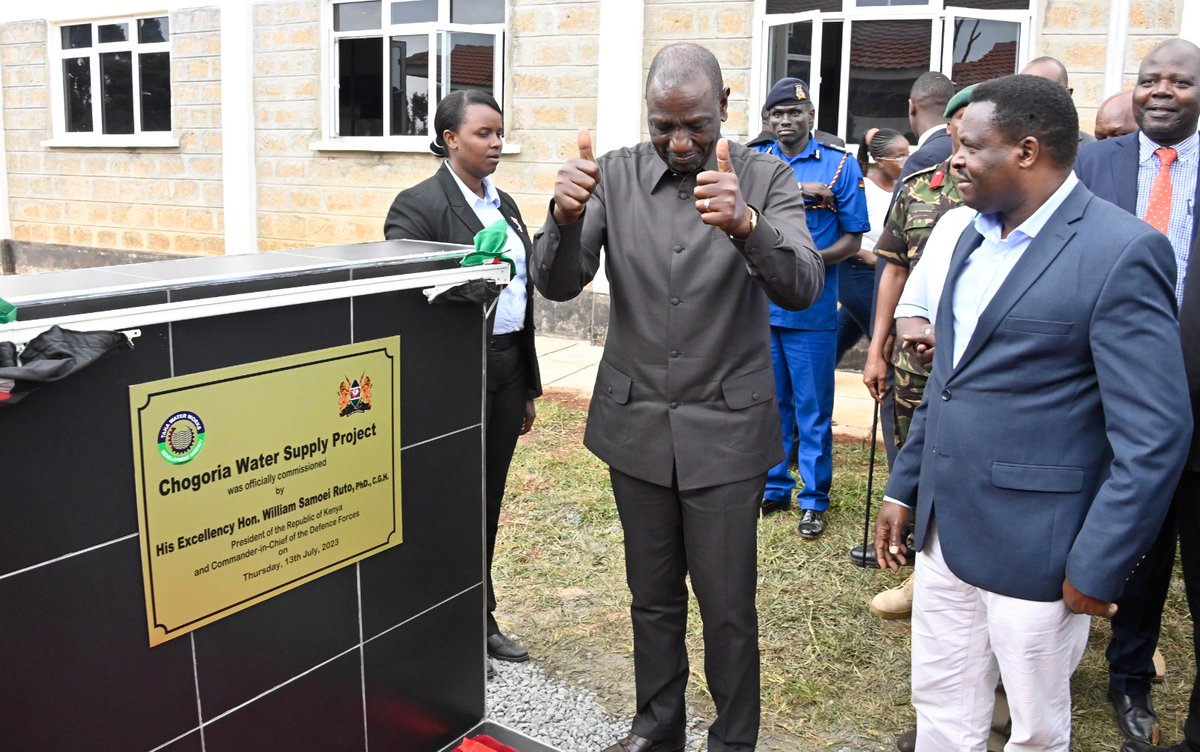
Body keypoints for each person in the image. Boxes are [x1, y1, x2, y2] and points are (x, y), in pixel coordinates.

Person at [875, 74, 1191, 750]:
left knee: (1034, 728)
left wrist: (1099, 565)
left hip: (1039, 550)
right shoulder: (965, 236)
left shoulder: (1121, 251)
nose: (952, 161)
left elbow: (1156, 435)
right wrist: (905, 488)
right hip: (943, 531)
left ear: (1026, 151)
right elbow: (948, 385)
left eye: (969, 148)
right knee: (941, 703)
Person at [530, 43, 822, 752]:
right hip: (636, 427)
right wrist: (563, 217)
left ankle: (732, 740)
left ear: (725, 108)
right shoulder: (617, 176)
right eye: (664, 125)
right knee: (651, 600)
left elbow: (805, 284)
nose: (681, 142)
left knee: (727, 609)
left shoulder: (765, 174)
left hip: (726, 429)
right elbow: (559, 283)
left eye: (694, 123)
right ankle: (656, 730)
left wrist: (749, 225)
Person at [383, 89, 541, 668]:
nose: (497, 143)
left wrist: (524, 381)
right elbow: (406, 298)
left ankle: (479, 614)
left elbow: (521, 294)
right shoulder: (417, 206)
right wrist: (465, 273)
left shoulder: (507, 204)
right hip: (451, 376)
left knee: (487, 498)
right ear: (451, 139)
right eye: (484, 133)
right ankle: (432, 615)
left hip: (504, 367)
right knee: (445, 498)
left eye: (501, 133)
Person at [1076, 37, 1200, 747]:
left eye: (1179, 82)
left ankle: (1135, 668)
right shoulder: (1095, 163)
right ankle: (1125, 679)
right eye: (1149, 78)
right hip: (1103, 395)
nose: (1160, 91)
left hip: (1195, 395)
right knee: (1133, 546)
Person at [852, 86, 973, 585]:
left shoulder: (1012, 195)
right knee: (908, 456)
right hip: (913, 358)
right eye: (963, 121)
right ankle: (916, 571)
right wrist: (876, 348)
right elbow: (894, 269)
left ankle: (958, 565)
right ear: (949, 127)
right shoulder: (919, 185)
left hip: (974, 361)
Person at [755, 77, 870, 537]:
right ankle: (775, 486)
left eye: (794, 114)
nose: (786, 121)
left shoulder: (841, 167)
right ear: (768, 121)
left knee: (813, 408)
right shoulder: (758, 162)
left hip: (814, 310)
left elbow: (853, 238)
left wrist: (805, 262)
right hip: (762, 308)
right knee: (772, 403)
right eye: (777, 115)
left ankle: (814, 499)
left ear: (811, 118)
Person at [836, 128, 909, 365]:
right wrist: (866, 255)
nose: (906, 161)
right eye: (899, 156)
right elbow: (836, 232)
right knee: (886, 343)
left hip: (882, 274)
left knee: (837, 342)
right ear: (880, 161)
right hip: (857, 273)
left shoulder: (903, 188)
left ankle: (802, 392)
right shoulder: (862, 189)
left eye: (908, 153)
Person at [1021, 55, 1096, 143]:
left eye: (1042, 90)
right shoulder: (1006, 144)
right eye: (1023, 90)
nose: (1031, 98)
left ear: (1067, 94)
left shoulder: (1091, 149)